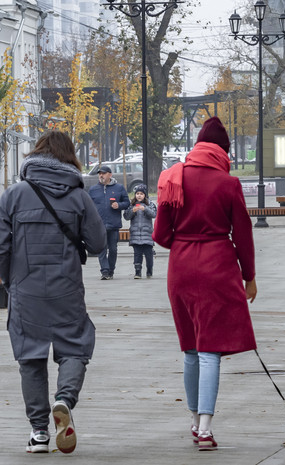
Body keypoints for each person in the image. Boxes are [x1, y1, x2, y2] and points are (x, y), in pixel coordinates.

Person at [0, 131, 106, 454]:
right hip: (67, 288)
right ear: (69, 156)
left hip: (25, 291)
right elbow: (98, 245)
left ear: (36, 154)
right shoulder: (79, 197)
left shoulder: (14, 195)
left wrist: (10, 280)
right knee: (76, 345)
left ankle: (39, 432)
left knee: (30, 356)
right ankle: (64, 400)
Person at [152, 116, 257, 451]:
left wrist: (184, 244)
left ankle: (194, 420)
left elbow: (159, 235)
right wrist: (249, 276)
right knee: (210, 348)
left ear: (197, 146)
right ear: (223, 151)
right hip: (218, 265)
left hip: (180, 268)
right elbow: (243, 235)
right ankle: (206, 429)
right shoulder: (228, 184)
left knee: (191, 349)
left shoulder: (172, 177)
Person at [88, 164, 129, 280]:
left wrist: (119, 205)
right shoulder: (93, 190)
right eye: (100, 174)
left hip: (113, 224)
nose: (101, 175)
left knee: (113, 249)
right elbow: (88, 205)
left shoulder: (119, 188)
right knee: (101, 249)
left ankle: (111, 270)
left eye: (103, 173)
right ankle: (105, 271)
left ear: (110, 175)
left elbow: (127, 203)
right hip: (99, 225)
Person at [123, 183, 157, 279]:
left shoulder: (150, 204)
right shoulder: (131, 205)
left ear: (145, 195)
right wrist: (132, 211)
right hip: (135, 235)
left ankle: (149, 271)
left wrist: (145, 209)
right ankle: (137, 272)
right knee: (137, 255)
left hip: (147, 235)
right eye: (137, 193)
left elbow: (154, 214)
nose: (139, 195)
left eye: (141, 194)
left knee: (149, 255)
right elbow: (126, 216)